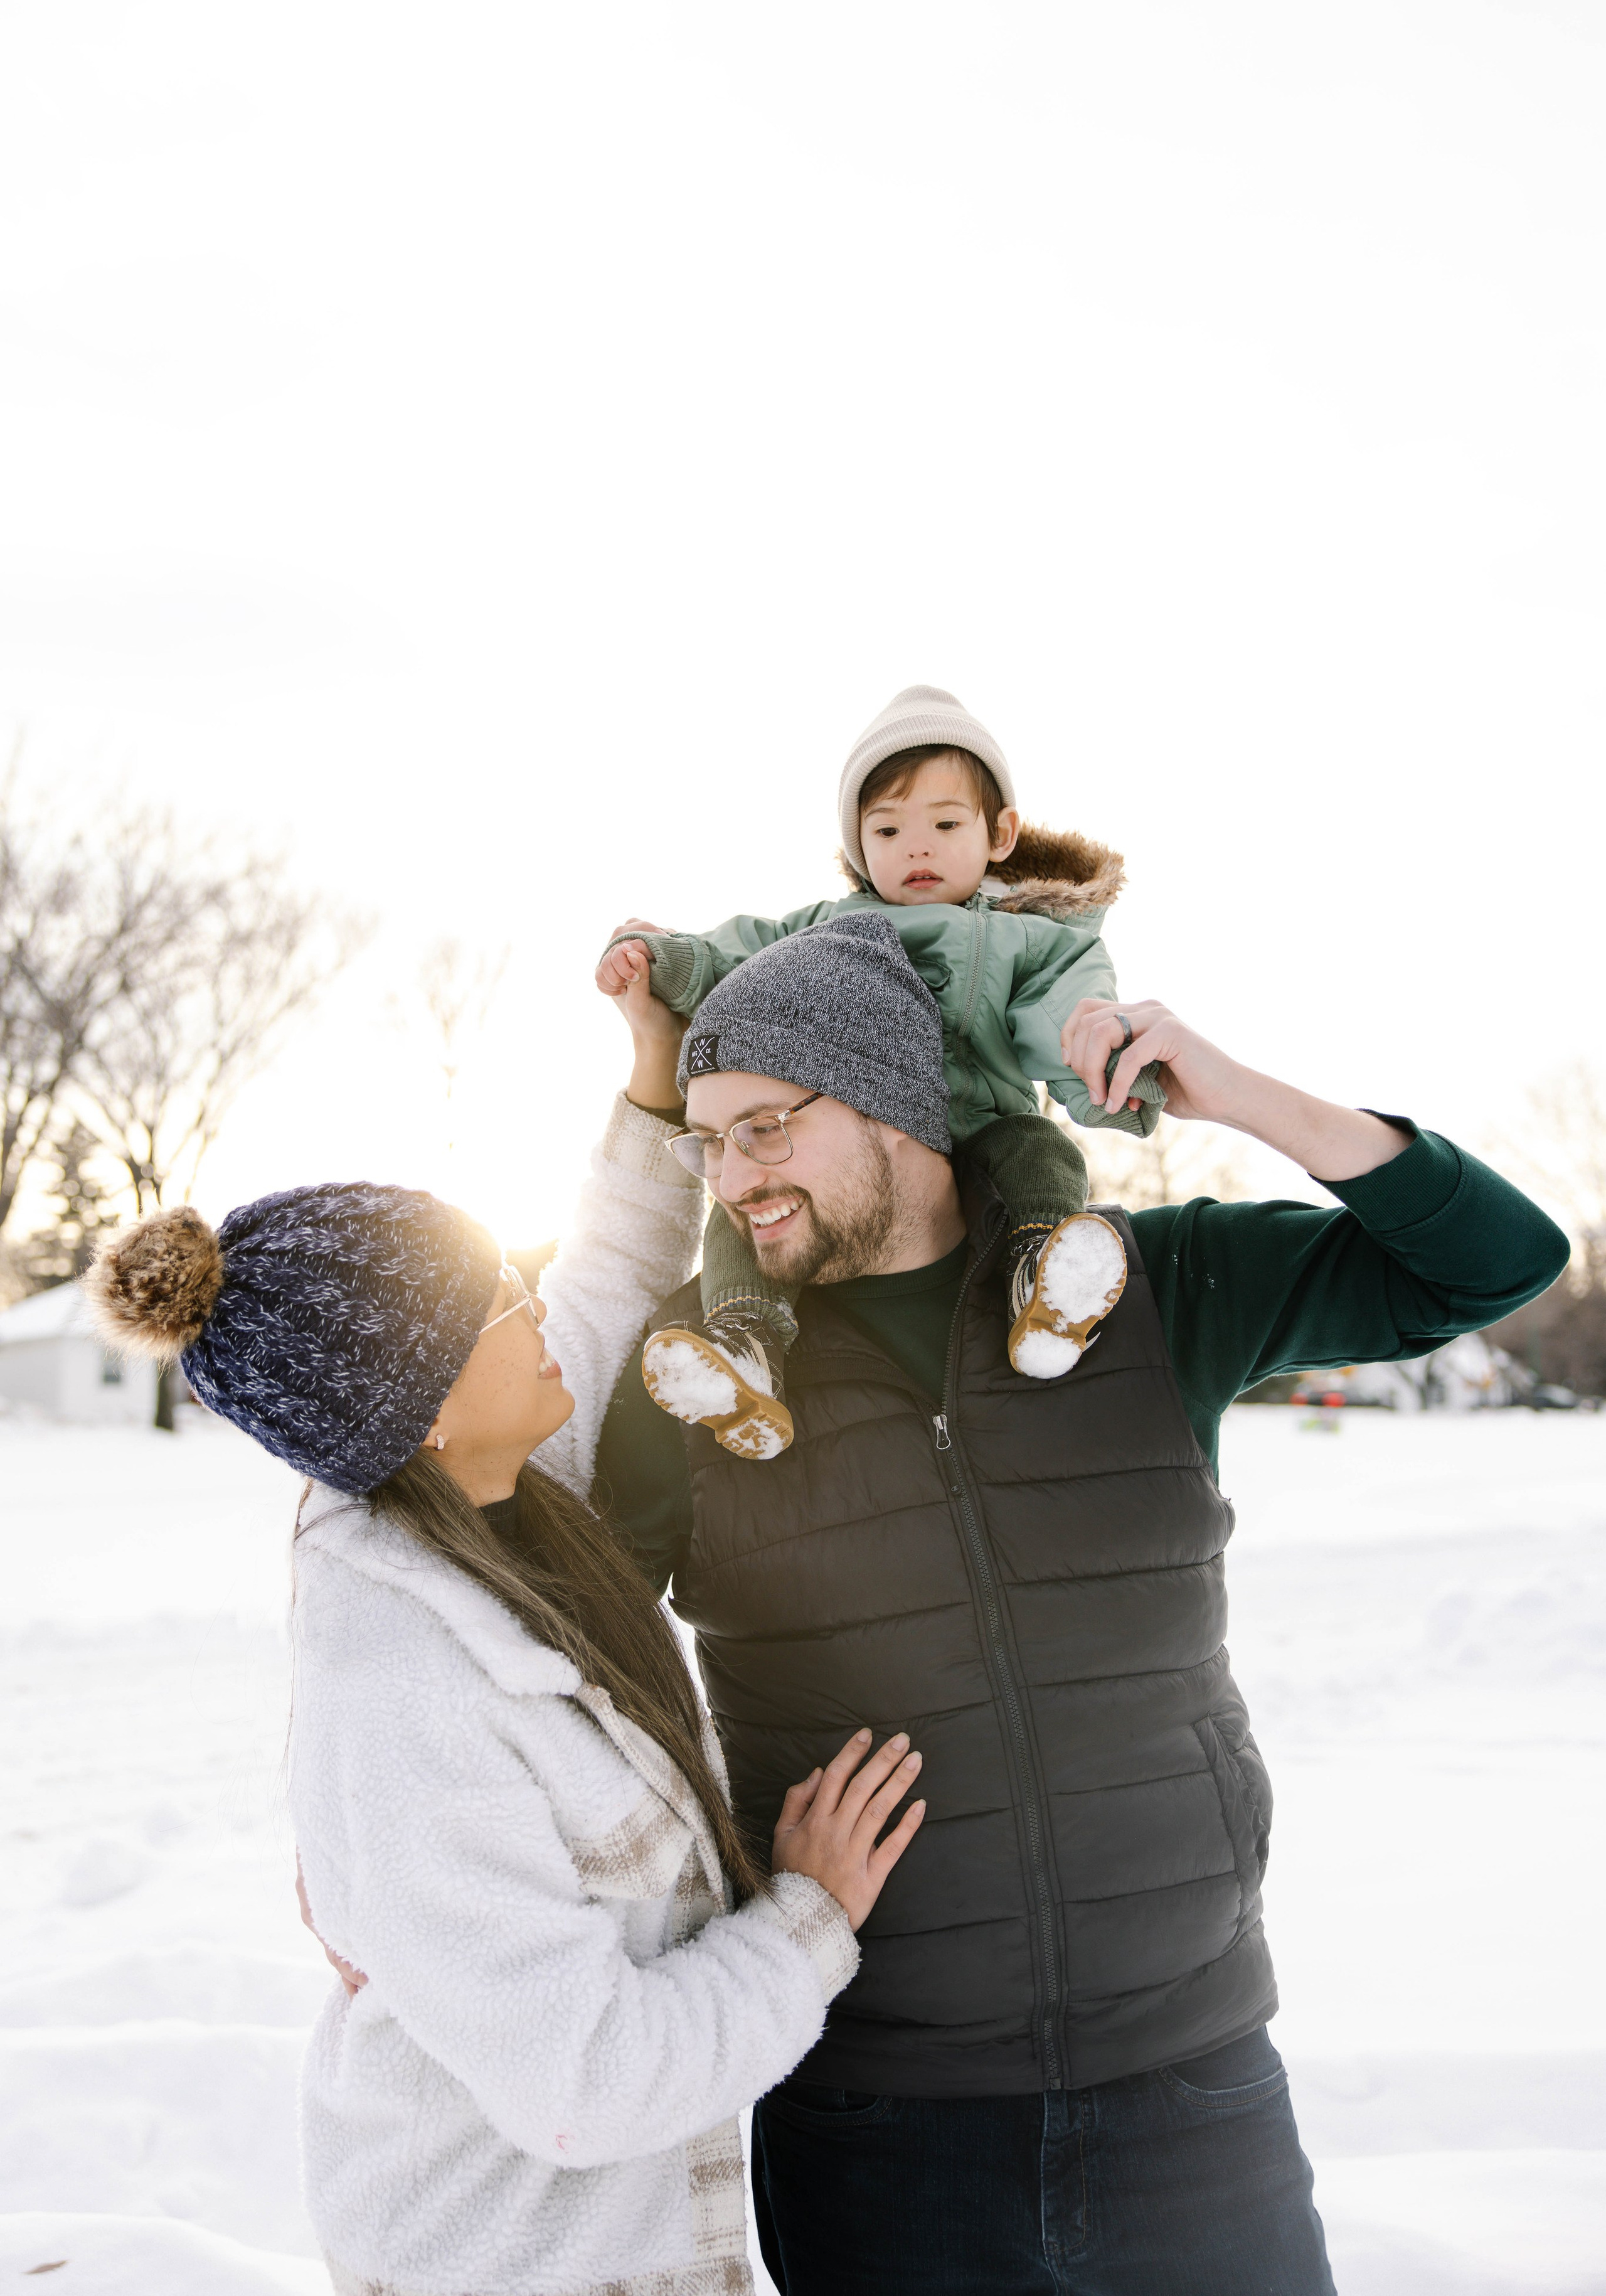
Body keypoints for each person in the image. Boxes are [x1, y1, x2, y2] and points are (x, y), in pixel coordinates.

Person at [592, 919, 1571, 2295]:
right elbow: (558, 1661)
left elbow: (1490, 1263)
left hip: (1194, 2095)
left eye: (764, 1127)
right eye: (707, 1141)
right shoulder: (696, 1374)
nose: (729, 1178)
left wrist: (1232, 1090)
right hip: (878, 2127)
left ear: (888, 1099)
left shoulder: (1143, 1286)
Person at [83, 974, 925, 2296]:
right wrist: (810, 1915)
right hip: (510, 2265)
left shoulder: (491, 1494)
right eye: (496, 1308)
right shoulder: (408, 1690)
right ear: (413, 1402)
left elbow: (600, 1274)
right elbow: (583, 2083)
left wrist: (653, 1073)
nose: (537, 1312)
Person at [595, 683, 1162, 1456]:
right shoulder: (832, 928)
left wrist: (1113, 1077)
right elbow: (739, 954)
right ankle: (743, 1340)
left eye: (944, 823)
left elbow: (1072, 1022)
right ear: (858, 846)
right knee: (743, 1196)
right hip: (856, 1144)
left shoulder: (1038, 939)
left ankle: (1043, 1273)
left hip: (981, 1132)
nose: (917, 847)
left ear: (1001, 833)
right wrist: (666, 959)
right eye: (887, 829)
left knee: (1040, 1147)